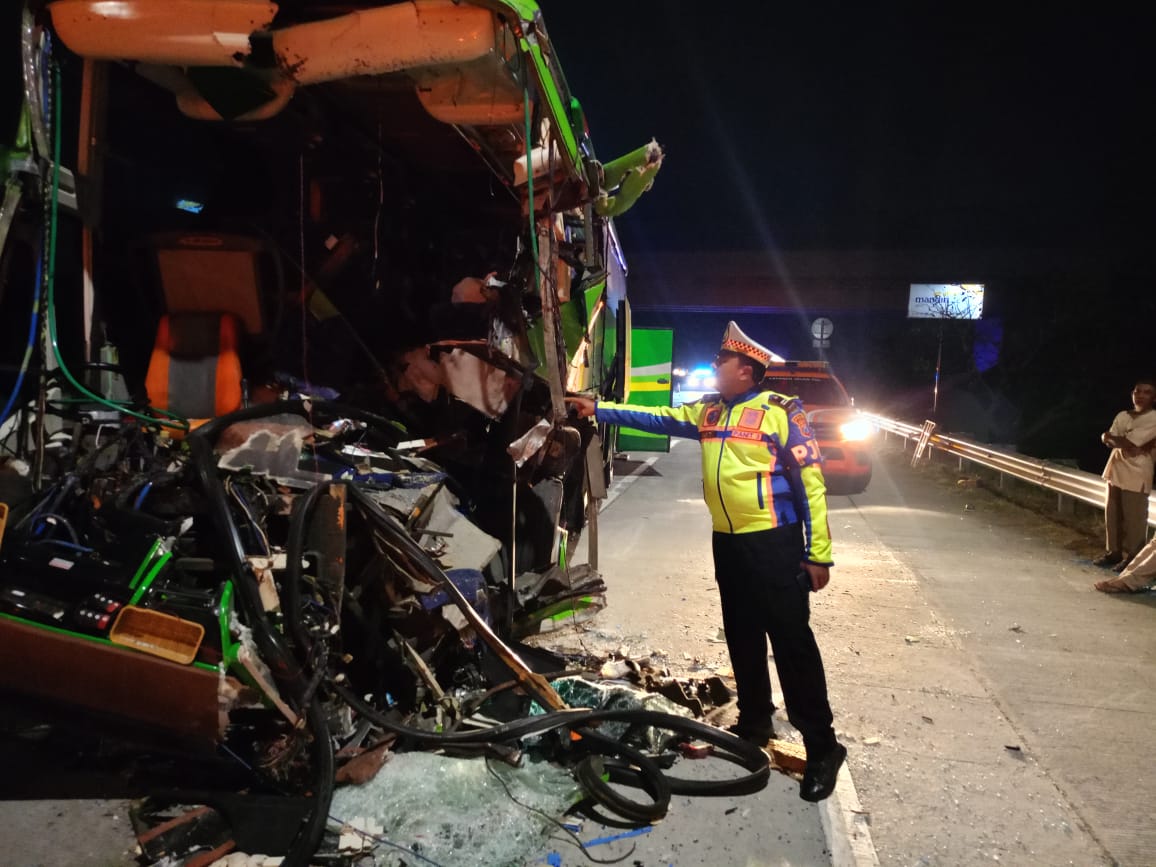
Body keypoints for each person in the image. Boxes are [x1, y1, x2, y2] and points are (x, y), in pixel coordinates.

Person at [566, 321, 845, 803]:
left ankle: (823, 747)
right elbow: (658, 418)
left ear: (746, 370)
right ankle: (754, 723)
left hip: (775, 544)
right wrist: (600, 409)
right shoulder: (709, 411)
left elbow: (811, 485)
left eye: (722, 363)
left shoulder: (782, 413)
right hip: (729, 543)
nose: (715, 368)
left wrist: (818, 553)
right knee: (741, 633)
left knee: (792, 644)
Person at [1094, 378, 1156, 572]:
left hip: (1137, 472)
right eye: (1137, 391)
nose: (1140, 396)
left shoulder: (1153, 417)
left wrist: (1111, 438)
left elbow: (1128, 443)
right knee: (1112, 515)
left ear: (1153, 398)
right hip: (1115, 469)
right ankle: (1113, 552)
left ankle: (1133, 557)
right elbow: (1112, 438)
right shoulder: (1123, 415)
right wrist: (1111, 438)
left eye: (1146, 392)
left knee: (1134, 518)